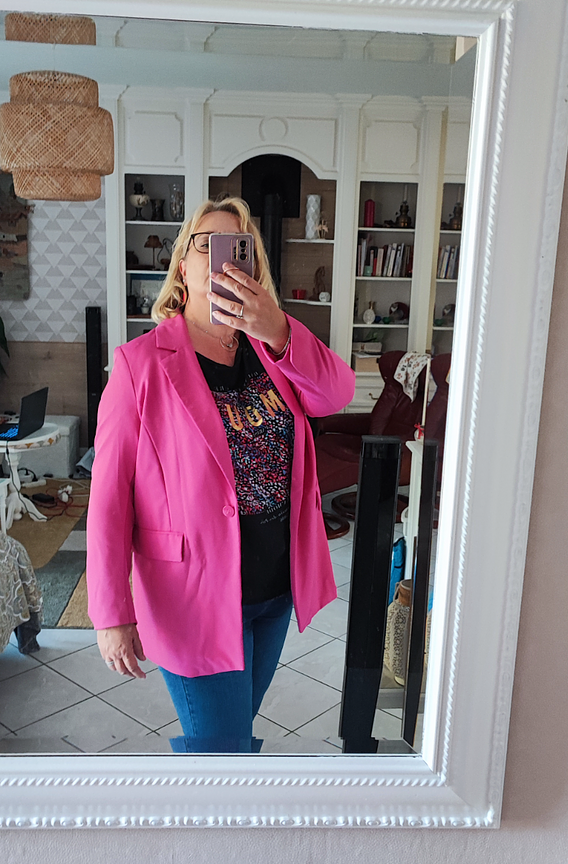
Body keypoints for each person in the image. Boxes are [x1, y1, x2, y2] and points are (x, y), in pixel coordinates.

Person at [86, 196, 355, 752]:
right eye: (205, 245)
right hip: (193, 596)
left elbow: (336, 394)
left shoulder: (273, 349)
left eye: (237, 247)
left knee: (231, 743)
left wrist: (278, 328)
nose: (219, 257)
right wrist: (111, 613)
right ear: (182, 266)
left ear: (252, 266)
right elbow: (109, 498)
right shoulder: (140, 364)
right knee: (223, 750)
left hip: (275, 589)